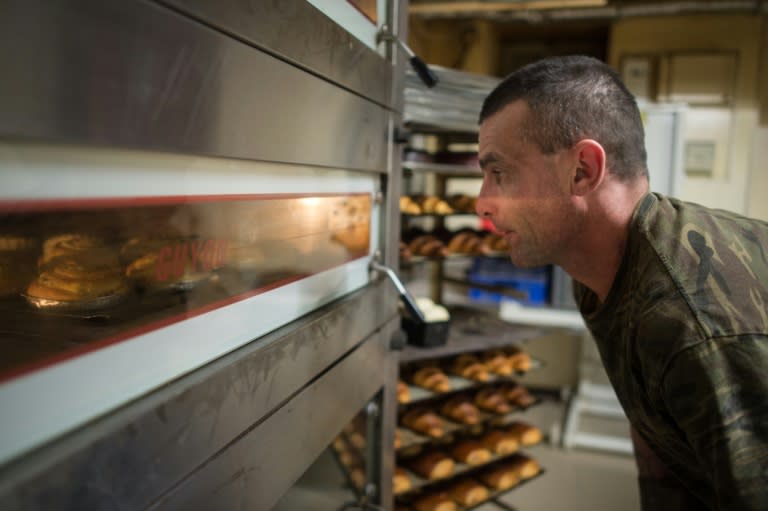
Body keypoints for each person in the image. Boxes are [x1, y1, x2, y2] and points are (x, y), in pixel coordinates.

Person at [474, 54, 768, 510]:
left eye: (500, 174)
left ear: (583, 170)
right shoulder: (598, 273)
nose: (483, 204)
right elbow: (655, 428)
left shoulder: (691, 325)